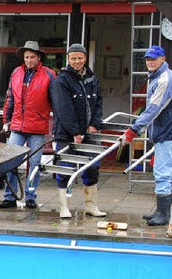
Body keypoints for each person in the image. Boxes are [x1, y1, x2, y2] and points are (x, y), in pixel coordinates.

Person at [121, 45, 172, 226]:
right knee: (163, 170)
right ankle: (161, 210)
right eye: (148, 59)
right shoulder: (159, 76)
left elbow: (153, 109)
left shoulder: (165, 79)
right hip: (164, 128)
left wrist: (133, 130)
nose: (150, 62)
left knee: (163, 172)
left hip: (167, 130)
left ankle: (164, 214)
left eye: (153, 59)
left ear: (163, 59)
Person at [50, 43, 106, 219]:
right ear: (68, 59)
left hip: (90, 133)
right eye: (73, 58)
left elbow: (98, 103)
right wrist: (75, 132)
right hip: (67, 134)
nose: (77, 61)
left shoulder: (91, 78)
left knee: (92, 168)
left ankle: (91, 205)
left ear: (85, 58)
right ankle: (64, 207)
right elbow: (63, 109)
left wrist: (95, 124)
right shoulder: (61, 80)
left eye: (80, 58)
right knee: (65, 169)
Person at [0, 40, 56, 209]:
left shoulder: (49, 75)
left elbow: (56, 102)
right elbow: (10, 98)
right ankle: (9, 196)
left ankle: (31, 196)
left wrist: (58, 125)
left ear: (39, 57)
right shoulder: (16, 73)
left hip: (37, 127)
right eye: (26, 57)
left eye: (32, 57)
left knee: (35, 165)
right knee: (10, 162)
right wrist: (6, 120)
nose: (29, 60)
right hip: (17, 125)